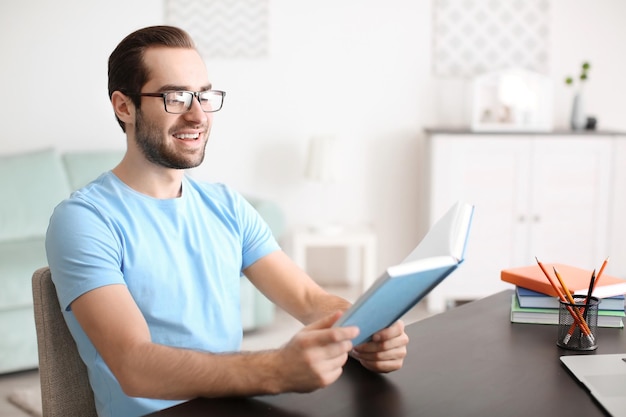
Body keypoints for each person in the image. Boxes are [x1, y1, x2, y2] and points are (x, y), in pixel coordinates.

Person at [45, 25, 409, 417]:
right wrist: (277, 370)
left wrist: (368, 329)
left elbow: (307, 299)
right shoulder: (84, 220)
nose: (198, 114)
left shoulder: (227, 206)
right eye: (176, 97)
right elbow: (135, 366)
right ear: (124, 107)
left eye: (203, 95)